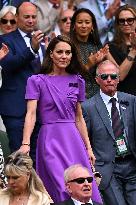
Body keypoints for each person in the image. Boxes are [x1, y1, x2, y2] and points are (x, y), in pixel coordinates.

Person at [18, 35, 102, 204]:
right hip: (50, 139)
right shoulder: (36, 80)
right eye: (60, 52)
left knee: (81, 183)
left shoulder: (77, 80)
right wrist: (25, 143)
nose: (64, 56)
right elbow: (31, 114)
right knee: (59, 184)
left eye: (68, 52)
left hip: (73, 140)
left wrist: (89, 148)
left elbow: (79, 118)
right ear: (51, 54)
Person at [82, 60, 136, 205]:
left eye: (113, 76)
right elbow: (85, 141)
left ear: (118, 79)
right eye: (104, 77)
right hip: (108, 169)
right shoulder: (88, 107)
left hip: (132, 164)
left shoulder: (131, 100)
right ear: (97, 80)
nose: (109, 80)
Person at [0, 2, 46, 166]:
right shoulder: (4, 40)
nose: (31, 20)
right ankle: (18, 192)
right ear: (17, 18)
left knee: (39, 157)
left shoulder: (42, 40)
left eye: (34, 17)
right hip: (16, 108)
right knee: (19, 158)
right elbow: (8, 64)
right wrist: (32, 49)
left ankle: (38, 191)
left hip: (41, 109)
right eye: (26, 17)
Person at [70, 8, 116, 98]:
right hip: (77, 97)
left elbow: (116, 73)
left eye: (87, 22)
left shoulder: (97, 46)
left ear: (92, 26)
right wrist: (89, 65)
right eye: (80, 22)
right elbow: (69, 78)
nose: (83, 26)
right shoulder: (68, 46)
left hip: (98, 97)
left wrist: (102, 62)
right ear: (74, 26)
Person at [109, 5, 136, 95]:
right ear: (117, 24)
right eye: (122, 21)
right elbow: (119, 76)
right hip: (124, 99)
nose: (126, 23)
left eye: (130, 20)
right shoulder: (110, 47)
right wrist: (134, 50)